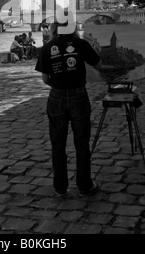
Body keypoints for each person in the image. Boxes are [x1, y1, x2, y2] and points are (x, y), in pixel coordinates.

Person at [35, 21, 113, 198]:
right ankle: (85, 185)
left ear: (55, 30)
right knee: (81, 142)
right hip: (79, 96)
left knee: (58, 143)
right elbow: (100, 66)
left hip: (57, 97)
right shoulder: (81, 44)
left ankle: (60, 187)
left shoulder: (47, 48)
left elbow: (46, 79)